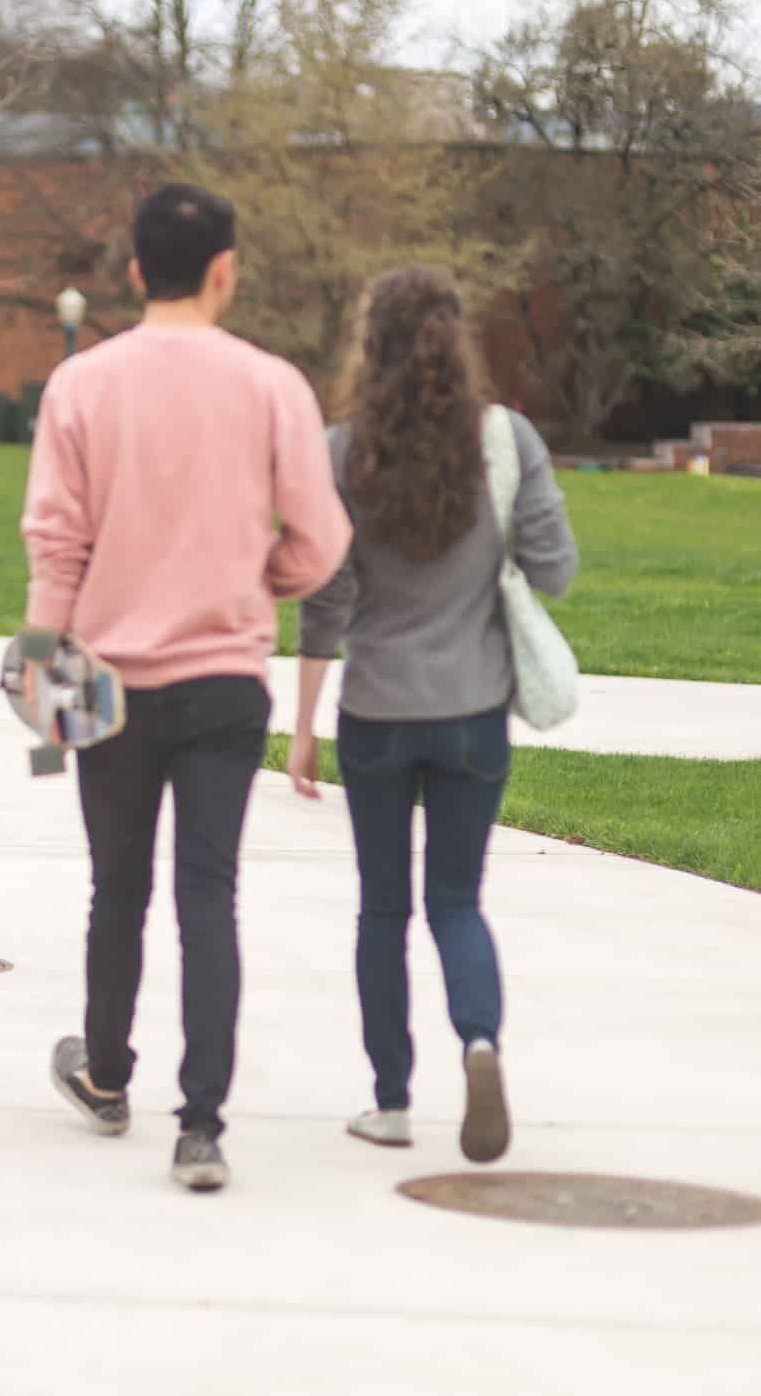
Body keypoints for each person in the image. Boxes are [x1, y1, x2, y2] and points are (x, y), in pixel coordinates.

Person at [23, 183, 351, 1192]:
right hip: (224, 677)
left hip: (107, 676)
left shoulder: (80, 385)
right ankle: (200, 1123)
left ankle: (108, 1075)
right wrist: (266, 583)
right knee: (208, 896)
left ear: (130, 272)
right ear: (225, 270)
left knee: (114, 888)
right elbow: (321, 543)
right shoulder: (271, 387)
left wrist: (44, 663)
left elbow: (55, 542)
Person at [290, 266, 578, 1164]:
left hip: (376, 711)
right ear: (455, 340)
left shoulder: (340, 449)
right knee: (457, 900)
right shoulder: (507, 441)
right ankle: (480, 1041)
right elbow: (555, 567)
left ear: (367, 345)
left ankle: (389, 1102)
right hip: (473, 711)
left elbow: (325, 599)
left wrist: (303, 724)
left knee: (382, 910)